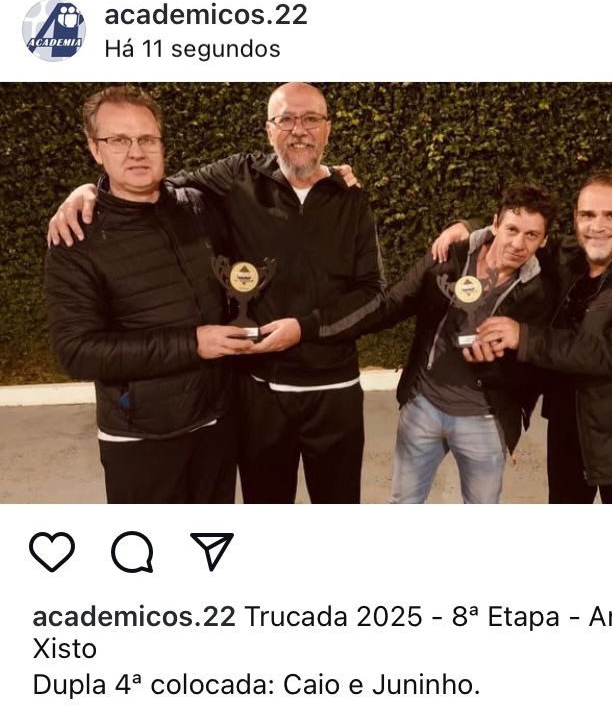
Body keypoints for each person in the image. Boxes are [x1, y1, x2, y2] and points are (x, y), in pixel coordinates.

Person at [48, 82, 384, 505]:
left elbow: (374, 293)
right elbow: (150, 184)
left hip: (311, 396)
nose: (299, 130)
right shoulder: (234, 178)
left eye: (311, 118)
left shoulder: (349, 198)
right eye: (285, 119)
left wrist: (305, 328)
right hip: (247, 395)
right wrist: (87, 191)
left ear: (328, 128)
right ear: (269, 130)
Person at [44, 86, 254, 503]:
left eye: (146, 139)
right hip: (141, 438)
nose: (136, 152)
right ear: (95, 149)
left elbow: (269, 169)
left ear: (162, 144)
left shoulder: (198, 205)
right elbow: (77, 352)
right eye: (118, 140)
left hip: (216, 424)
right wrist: (193, 344)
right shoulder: (75, 238)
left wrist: (331, 174)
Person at [435, 170, 612, 503]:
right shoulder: (568, 254)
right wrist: (469, 228)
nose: (597, 226)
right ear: (575, 218)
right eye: (588, 215)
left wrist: (524, 337)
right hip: (568, 432)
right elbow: (522, 232)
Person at [316, 184, 556, 503]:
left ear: (544, 240)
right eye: (512, 229)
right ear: (495, 224)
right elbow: (392, 305)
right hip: (423, 408)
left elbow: (534, 368)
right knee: (403, 505)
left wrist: (510, 423)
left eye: (531, 235)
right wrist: (319, 329)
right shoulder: (450, 256)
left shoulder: (542, 290)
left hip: (485, 422)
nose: (518, 243)